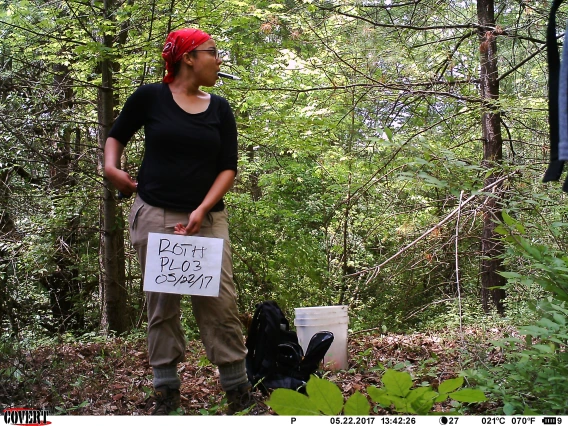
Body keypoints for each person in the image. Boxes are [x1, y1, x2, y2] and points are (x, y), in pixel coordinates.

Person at [104, 27, 252, 415]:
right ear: (188, 57)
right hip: (155, 212)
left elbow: (228, 168)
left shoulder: (219, 108)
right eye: (212, 52)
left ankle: (238, 393)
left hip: (207, 218)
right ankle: (166, 395)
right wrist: (111, 167)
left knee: (220, 302)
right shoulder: (151, 97)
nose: (219, 60)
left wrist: (202, 209)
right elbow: (116, 135)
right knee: (162, 304)